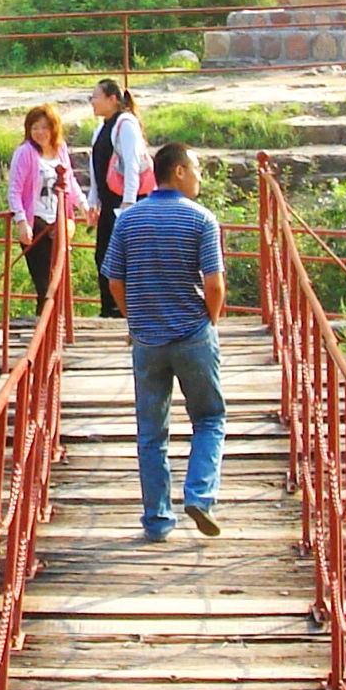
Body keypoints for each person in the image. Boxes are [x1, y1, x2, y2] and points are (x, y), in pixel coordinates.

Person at [100, 142, 227, 542]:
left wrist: (133, 317)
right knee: (209, 417)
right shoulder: (202, 220)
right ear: (179, 172)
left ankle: (157, 519)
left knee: (151, 432)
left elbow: (114, 279)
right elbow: (214, 283)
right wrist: (211, 319)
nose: (200, 176)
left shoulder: (129, 220)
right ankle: (200, 495)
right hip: (192, 334)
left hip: (147, 339)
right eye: (197, 168)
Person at [8, 103, 87, 302]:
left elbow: (70, 182)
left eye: (44, 127)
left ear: (53, 127)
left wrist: (83, 206)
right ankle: (44, 330)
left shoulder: (60, 149)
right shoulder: (25, 152)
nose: (40, 132)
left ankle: (55, 328)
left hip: (59, 221)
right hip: (36, 222)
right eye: (34, 128)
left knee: (59, 280)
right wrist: (21, 221)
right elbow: (15, 190)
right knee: (44, 284)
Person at [88, 80, 151, 318]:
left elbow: (131, 165)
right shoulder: (101, 128)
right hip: (109, 203)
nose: (92, 102)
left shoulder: (126, 124)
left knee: (126, 256)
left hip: (125, 203)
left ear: (112, 99)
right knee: (104, 255)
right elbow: (97, 167)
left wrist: (129, 203)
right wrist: (93, 199)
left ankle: (127, 310)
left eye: (96, 97)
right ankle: (110, 309)